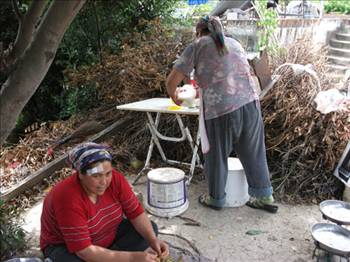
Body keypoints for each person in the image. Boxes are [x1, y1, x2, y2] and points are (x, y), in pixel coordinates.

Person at [166, 16, 278, 213]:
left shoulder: (197, 45)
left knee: (216, 154)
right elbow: (227, 74)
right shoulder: (234, 43)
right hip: (251, 104)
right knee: (254, 151)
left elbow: (172, 80)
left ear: (199, 32)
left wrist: (173, 95)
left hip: (221, 110)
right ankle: (265, 196)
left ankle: (216, 198)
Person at [40, 142, 169, 262]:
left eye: (108, 173)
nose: (104, 182)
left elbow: (135, 213)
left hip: (106, 235)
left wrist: (153, 240)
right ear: (80, 174)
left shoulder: (115, 179)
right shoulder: (67, 198)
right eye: (96, 176)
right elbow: (84, 251)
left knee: (150, 230)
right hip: (66, 248)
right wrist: (133, 258)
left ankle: (106, 256)